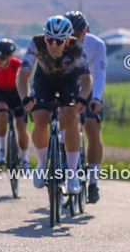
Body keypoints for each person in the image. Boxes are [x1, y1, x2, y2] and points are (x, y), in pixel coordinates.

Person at [17, 16, 92, 194]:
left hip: (69, 81)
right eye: (50, 40)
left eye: (59, 41)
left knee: (71, 116)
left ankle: (72, 175)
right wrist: (25, 97)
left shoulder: (75, 46)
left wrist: (82, 98)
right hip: (44, 82)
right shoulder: (36, 43)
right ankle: (42, 165)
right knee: (41, 119)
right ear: (45, 37)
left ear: (67, 40)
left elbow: (86, 80)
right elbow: (22, 76)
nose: (54, 45)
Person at [66, 10, 107, 203]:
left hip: (90, 88)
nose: (74, 38)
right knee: (64, 125)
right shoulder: (60, 44)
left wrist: (96, 98)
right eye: (70, 34)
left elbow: (99, 76)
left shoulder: (96, 45)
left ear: (86, 31)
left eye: (77, 34)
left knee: (92, 128)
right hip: (69, 86)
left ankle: (92, 182)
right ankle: (65, 168)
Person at [0, 38, 32, 171]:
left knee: (21, 126)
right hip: (1, 93)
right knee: (1, 109)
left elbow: (25, 85)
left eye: (3, 57)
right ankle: (0, 150)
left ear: (11, 56)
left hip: (16, 93)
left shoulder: (19, 65)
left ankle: (25, 159)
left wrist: (26, 99)